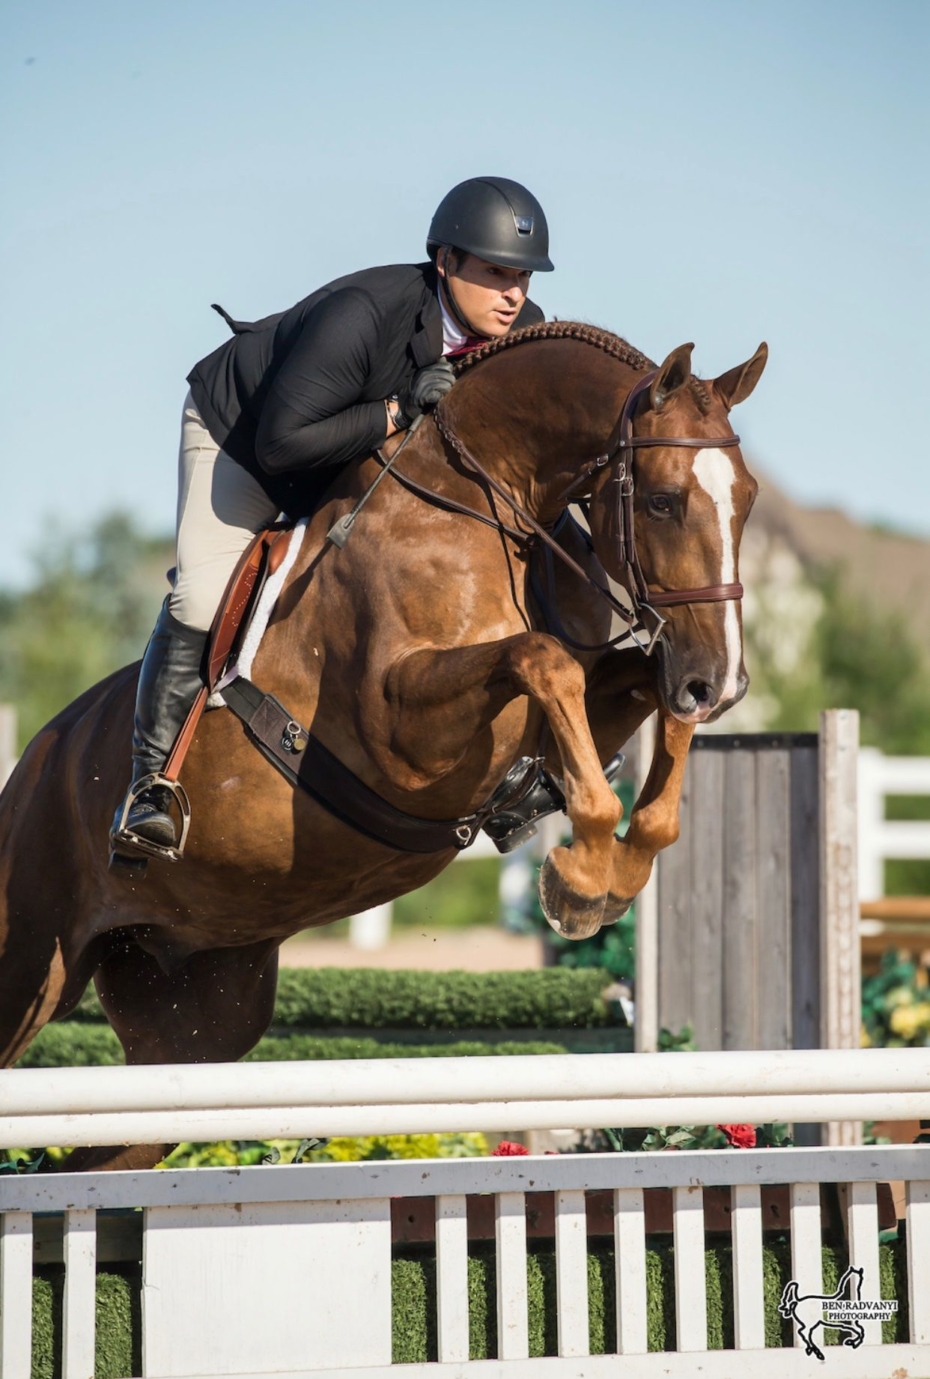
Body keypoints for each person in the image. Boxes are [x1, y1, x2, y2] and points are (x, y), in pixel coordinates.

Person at [110, 176, 553, 860]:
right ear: (445, 262)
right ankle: (149, 787)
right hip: (246, 442)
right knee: (202, 592)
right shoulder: (362, 313)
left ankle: (510, 775)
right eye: (496, 272)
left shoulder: (524, 335)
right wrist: (401, 409)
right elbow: (282, 442)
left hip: (350, 458)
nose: (513, 293)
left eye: (522, 276)